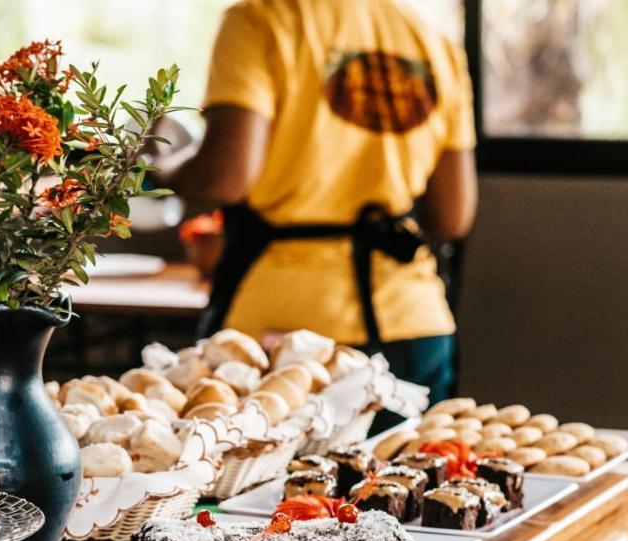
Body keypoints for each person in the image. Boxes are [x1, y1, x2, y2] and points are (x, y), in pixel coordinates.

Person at [153, 0, 477, 403]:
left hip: (283, 334)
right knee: (409, 467)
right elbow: (452, 216)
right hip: (412, 324)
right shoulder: (433, 42)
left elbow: (225, 178)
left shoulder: (261, 19)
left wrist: (158, 166)